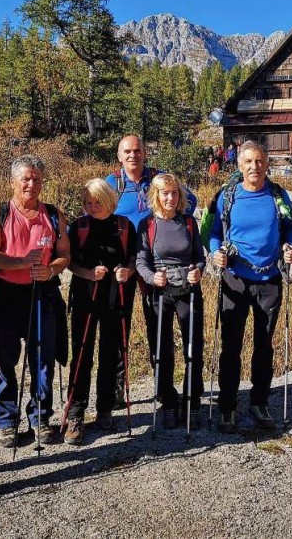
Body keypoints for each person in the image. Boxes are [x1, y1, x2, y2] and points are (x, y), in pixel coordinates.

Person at [0, 156, 69, 449]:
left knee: (43, 357)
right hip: (4, 293)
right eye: (26, 179)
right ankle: (7, 421)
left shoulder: (54, 215)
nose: (32, 184)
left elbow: (63, 255)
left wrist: (51, 269)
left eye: (37, 179)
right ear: (13, 182)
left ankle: (41, 418)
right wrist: (21, 263)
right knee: (3, 359)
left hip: (42, 292)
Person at [209, 141, 292, 432]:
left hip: (269, 279)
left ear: (267, 163)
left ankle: (259, 402)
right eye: (248, 162)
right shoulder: (227, 196)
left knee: (264, 344)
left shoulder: (277, 195)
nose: (254, 167)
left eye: (259, 161)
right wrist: (216, 252)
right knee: (231, 346)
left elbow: (289, 228)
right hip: (234, 277)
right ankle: (228, 407)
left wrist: (290, 247)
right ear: (239, 165)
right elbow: (211, 232)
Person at [104, 135, 196, 406]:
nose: (133, 155)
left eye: (138, 150)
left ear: (145, 153)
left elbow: (190, 201)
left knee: (157, 328)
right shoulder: (113, 184)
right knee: (119, 328)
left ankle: (162, 388)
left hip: (155, 265)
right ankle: (117, 388)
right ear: (119, 156)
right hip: (123, 265)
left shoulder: (159, 179)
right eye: (128, 152)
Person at [63, 178, 138, 445]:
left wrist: (127, 270)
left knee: (111, 350)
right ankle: (75, 413)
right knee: (82, 352)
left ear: (109, 201)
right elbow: (68, 262)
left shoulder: (124, 226)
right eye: (87, 202)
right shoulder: (78, 227)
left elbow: (133, 257)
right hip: (85, 294)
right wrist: (87, 273)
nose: (92, 207)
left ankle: (104, 409)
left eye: (97, 202)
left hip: (116, 296)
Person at [136, 174, 206, 429]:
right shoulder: (147, 225)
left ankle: (192, 401)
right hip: (159, 292)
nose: (170, 197)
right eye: (165, 193)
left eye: (174, 193)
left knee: (193, 347)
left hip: (189, 290)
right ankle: (168, 400)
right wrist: (151, 277)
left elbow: (199, 255)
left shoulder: (188, 222)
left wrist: (198, 270)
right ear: (156, 195)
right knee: (161, 348)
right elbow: (141, 259)